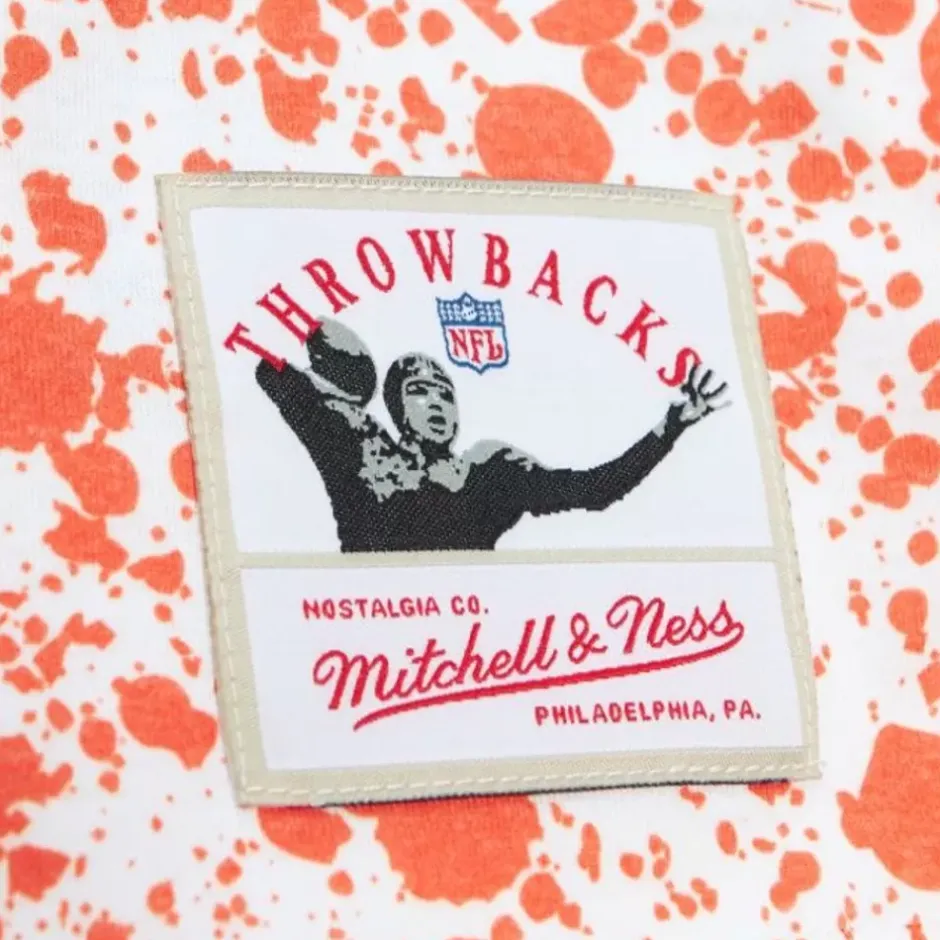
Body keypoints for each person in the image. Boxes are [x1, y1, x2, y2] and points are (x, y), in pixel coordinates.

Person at [256, 321, 728, 552]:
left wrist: (669, 427)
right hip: (368, 629)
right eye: (419, 391)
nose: (437, 403)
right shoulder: (363, 450)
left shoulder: (488, 471)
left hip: (470, 632)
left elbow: (594, 489)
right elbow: (271, 370)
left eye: (446, 393)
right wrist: (337, 373)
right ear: (396, 407)